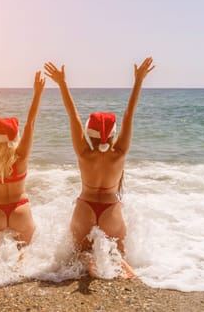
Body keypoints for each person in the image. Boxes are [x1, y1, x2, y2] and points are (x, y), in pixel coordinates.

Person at [44, 57, 155, 278]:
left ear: (88, 133)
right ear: (113, 134)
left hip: (85, 207)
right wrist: (138, 81)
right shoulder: (119, 153)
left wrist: (62, 84)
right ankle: (121, 267)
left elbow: (72, 115)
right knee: (118, 253)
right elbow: (128, 115)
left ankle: (89, 261)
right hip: (111, 210)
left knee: (79, 252)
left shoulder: (84, 153)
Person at [0, 67, 45, 269]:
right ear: (15, 137)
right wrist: (37, 93)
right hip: (20, 209)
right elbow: (31, 123)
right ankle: (17, 274)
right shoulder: (20, 157)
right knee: (26, 250)